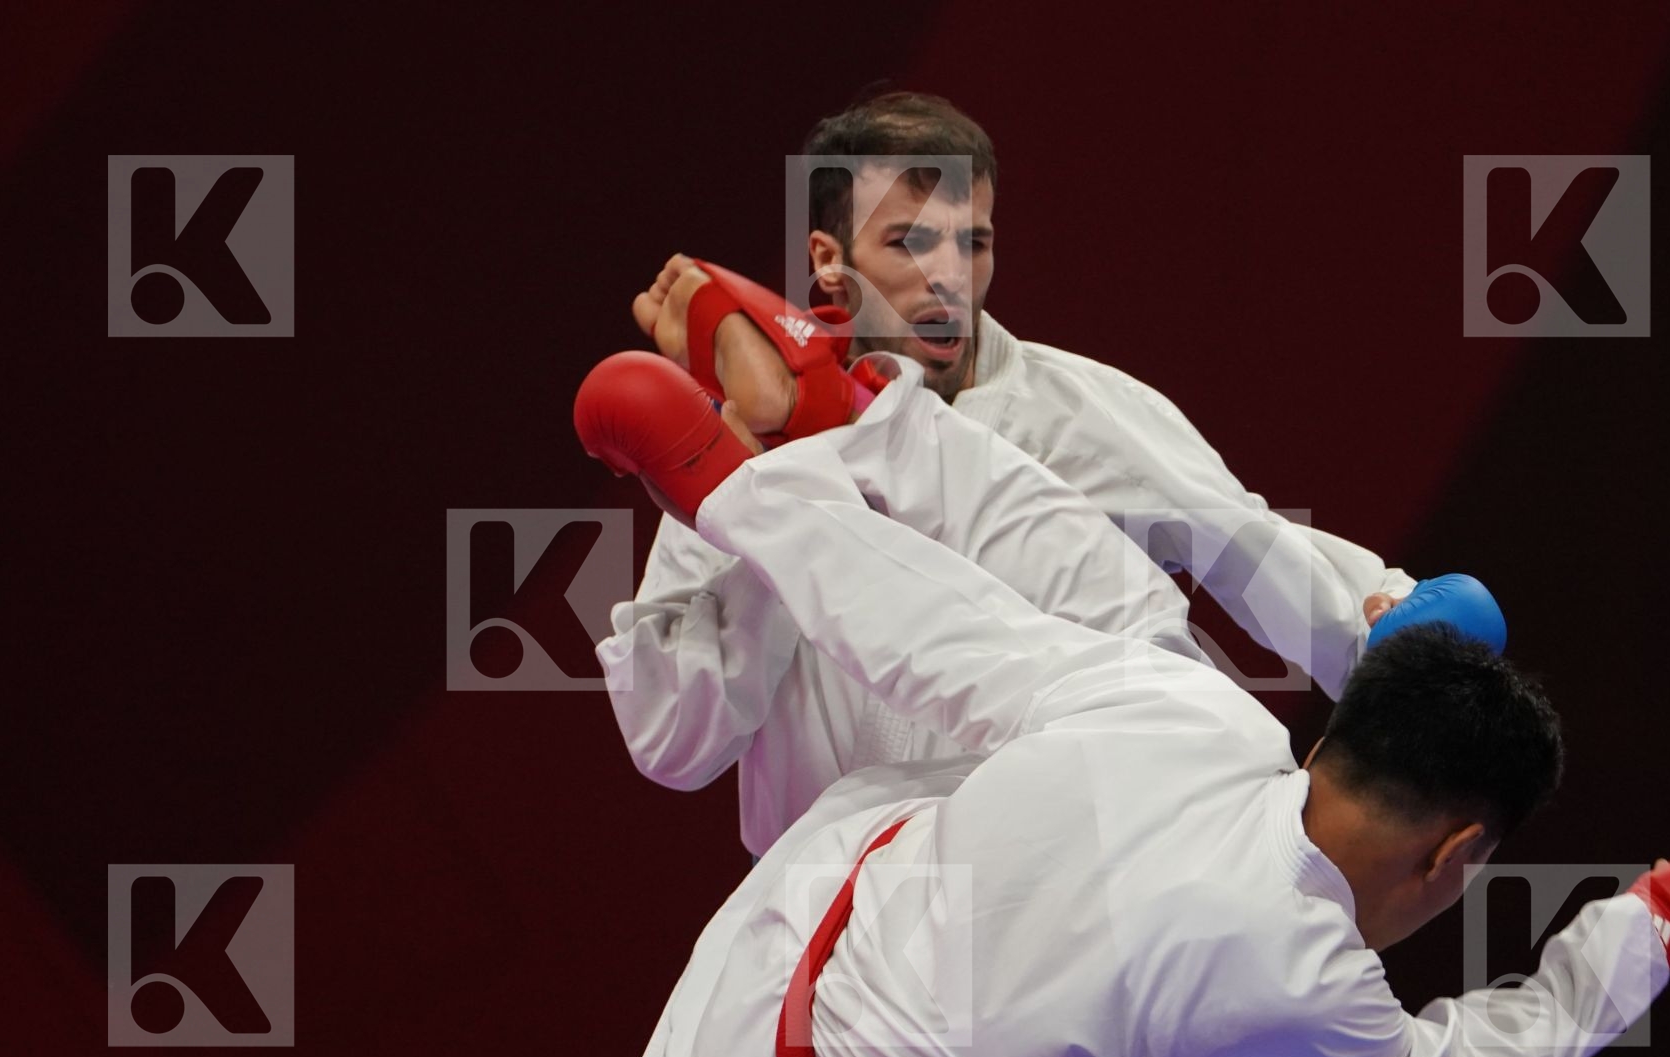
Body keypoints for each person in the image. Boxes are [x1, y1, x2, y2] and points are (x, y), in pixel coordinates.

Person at [581, 346, 1670, 1057]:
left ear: (1327, 745)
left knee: (1108, 630)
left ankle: (847, 406)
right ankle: (845, 411)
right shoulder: (1303, 988)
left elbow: (919, 625)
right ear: (1456, 854)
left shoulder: (1184, 710)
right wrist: (1657, 926)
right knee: (1109, 624)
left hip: (804, 934)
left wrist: (718, 481)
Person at [596, 92, 1421, 858]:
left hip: (1052, 905)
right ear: (828, 259)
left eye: (974, 241)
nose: (950, 274)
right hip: (833, 921)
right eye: (910, 241)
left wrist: (1395, 638)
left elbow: (1247, 543)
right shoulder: (733, 456)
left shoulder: (1083, 412)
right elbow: (674, 742)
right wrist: (779, 517)